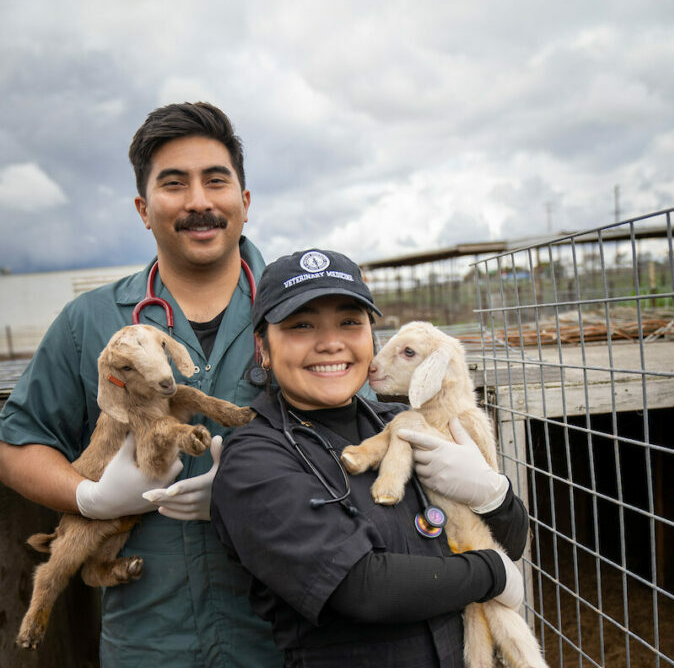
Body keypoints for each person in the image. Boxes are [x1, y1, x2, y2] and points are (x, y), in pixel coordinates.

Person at [0, 102, 281, 667]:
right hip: (152, 640)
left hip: (282, 633)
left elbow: (354, 435)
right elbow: (15, 445)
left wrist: (261, 491)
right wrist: (90, 497)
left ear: (244, 203)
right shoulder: (89, 323)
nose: (199, 201)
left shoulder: (296, 310)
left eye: (216, 181)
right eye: (173, 184)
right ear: (143, 208)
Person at [210, 248, 530, 667]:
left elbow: (512, 538)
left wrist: (493, 494)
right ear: (263, 348)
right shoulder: (255, 460)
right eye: (302, 325)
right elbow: (361, 588)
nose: (331, 343)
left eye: (350, 322)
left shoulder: (405, 421)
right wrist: (493, 573)